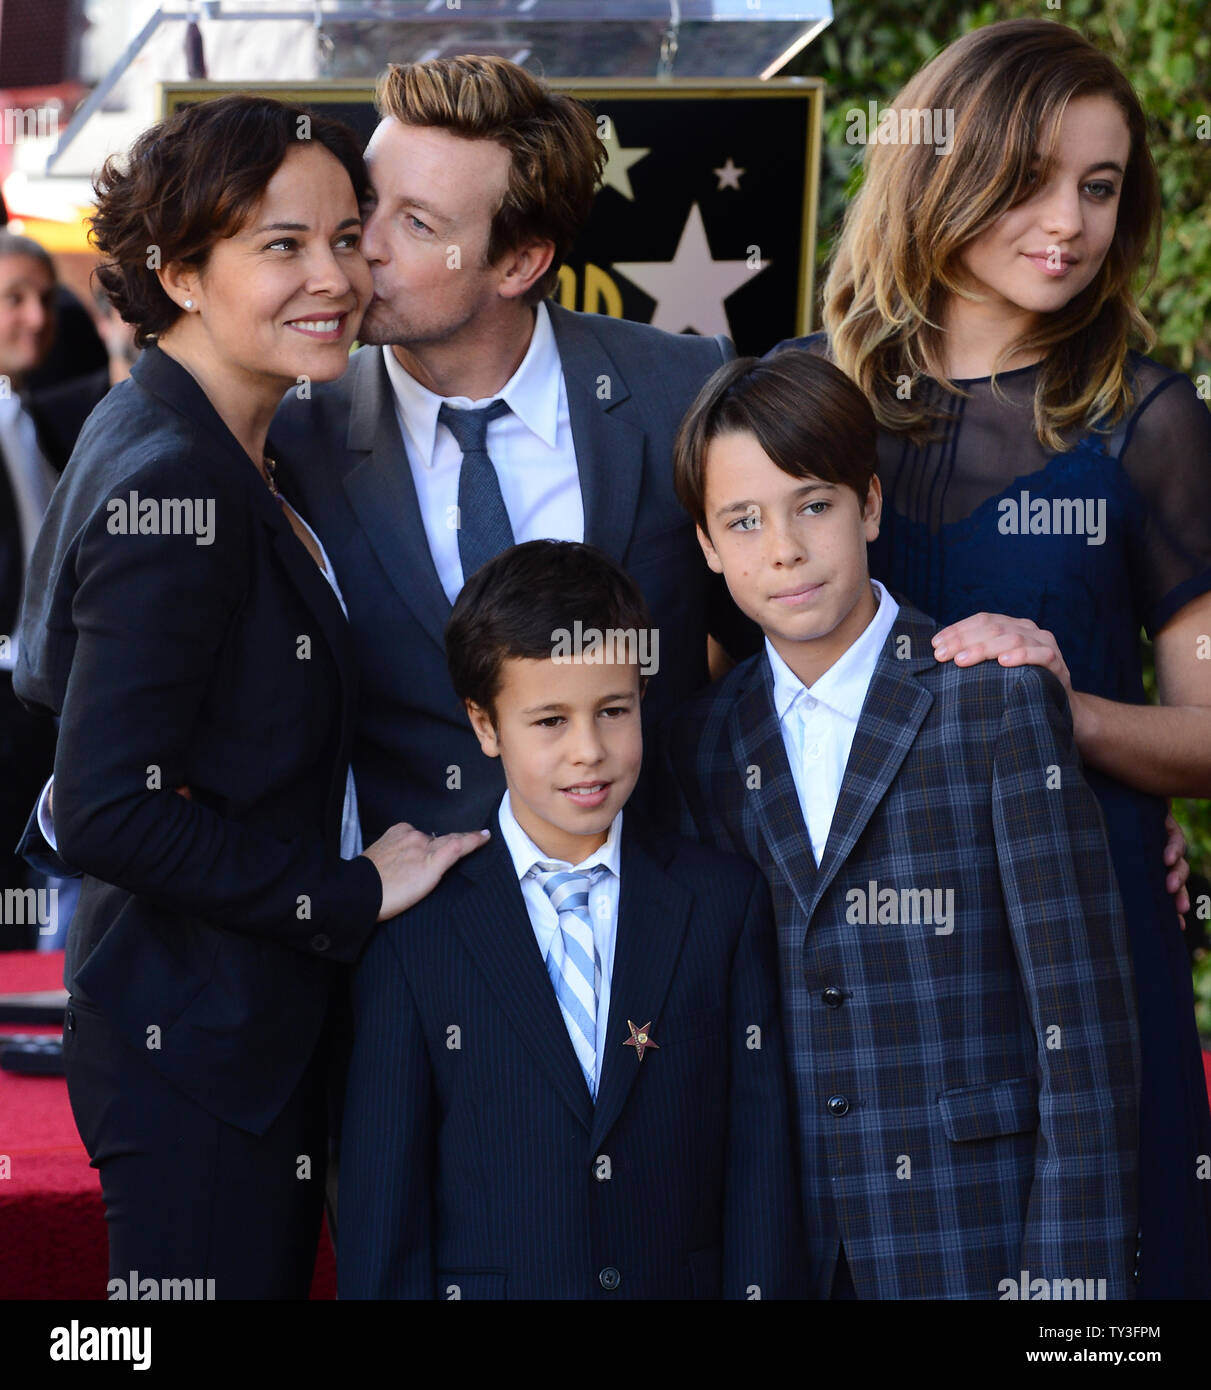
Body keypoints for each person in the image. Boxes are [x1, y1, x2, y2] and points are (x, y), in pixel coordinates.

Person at [13, 94, 486, 1298]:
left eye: (345, 237)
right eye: (281, 245)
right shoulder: (177, 480)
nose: (332, 276)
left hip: (218, 1032)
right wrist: (348, 889)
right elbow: (108, 806)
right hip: (198, 1052)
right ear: (177, 271)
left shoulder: (197, 439)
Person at [774, 16, 1211, 1300]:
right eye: (1029, 180)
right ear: (939, 171)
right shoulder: (803, 403)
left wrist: (1060, 712)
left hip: (1083, 951)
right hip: (859, 972)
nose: (1066, 221)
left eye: (1099, 183)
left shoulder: (1152, 420)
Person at [661, 350, 1140, 1300]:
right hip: (784, 1247)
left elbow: (1084, 1037)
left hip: (981, 1239)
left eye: (813, 505)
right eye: (743, 522)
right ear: (709, 549)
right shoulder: (701, 747)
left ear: (869, 506)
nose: (784, 549)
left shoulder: (994, 706)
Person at [270, 54, 758, 844]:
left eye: (418, 224)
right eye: (368, 204)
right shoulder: (293, 434)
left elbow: (771, 644)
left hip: (658, 909)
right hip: (413, 936)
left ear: (520, 261)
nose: (365, 245)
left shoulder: (682, 389)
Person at [339, 539, 805, 1299]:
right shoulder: (416, 933)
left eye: (613, 711)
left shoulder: (721, 904)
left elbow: (758, 1169)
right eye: (549, 721)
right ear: (485, 727)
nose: (588, 751)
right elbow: (384, 1209)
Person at [0, 232, 61, 948]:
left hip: (29, 715)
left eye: (44, 299)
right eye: (13, 299)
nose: (37, 318)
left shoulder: (33, 418)